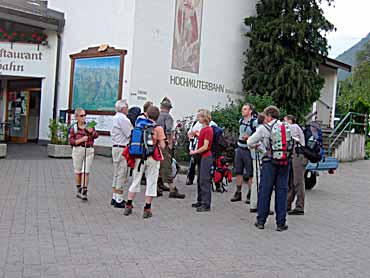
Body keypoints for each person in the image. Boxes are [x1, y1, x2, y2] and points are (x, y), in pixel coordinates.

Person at [247, 106, 291, 232]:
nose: (264, 118)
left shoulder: (263, 129)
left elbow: (250, 142)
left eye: (265, 116)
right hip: (284, 162)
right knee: (282, 191)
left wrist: (261, 148)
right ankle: (281, 223)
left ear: (269, 116)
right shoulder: (285, 126)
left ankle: (261, 221)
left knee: (265, 191)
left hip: (269, 162)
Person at [124, 106, 166, 218]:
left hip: (138, 157)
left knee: (136, 180)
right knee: (151, 181)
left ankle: (128, 205)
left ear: (146, 114)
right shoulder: (158, 128)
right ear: (158, 116)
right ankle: (147, 208)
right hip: (152, 158)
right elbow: (162, 146)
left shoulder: (139, 125)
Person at [157, 97, 185, 199]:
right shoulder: (168, 117)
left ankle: (157, 187)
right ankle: (172, 189)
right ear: (169, 108)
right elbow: (168, 129)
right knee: (167, 165)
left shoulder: (157, 115)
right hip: (163, 143)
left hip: (156, 144)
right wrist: (169, 142)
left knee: (158, 165)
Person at [69, 108, 99, 201]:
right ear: (77, 117)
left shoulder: (90, 125)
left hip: (89, 150)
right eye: (81, 116)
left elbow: (96, 135)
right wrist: (81, 140)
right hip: (78, 150)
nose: (84, 117)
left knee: (86, 171)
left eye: (85, 115)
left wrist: (92, 132)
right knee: (78, 171)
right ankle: (79, 188)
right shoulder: (74, 127)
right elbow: (71, 141)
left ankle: (85, 190)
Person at [231, 103, 257, 203]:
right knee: (238, 171)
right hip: (239, 148)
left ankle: (250, 194)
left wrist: (249, 138)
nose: (243, 111)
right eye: (242, 109)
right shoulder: (241, 120)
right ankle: (238, 192)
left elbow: (258, 135)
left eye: (245, 109)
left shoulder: (254, 122)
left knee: (250, 173)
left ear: (250, 111)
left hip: (248, 149)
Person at [110, 99, 133, 208]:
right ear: (123, 108)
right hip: (122, 147)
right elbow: (129, 134)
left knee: (116, 172)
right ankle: (119, 199)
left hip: (115, 147)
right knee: (122, 173)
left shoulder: (114, 118)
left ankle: (114, 196)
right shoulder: (123, 119)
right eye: (127, 107)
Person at [190, 109, 213, 212]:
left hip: (205, 156)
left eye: (199, 116)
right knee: (200, 179)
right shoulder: (203, 129)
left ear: (204, 118)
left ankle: (206, 203)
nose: (198, 118)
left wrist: (195, 152)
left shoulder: (208, 129)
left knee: (204, 179)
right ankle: (200, 200)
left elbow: (206, 146)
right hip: (202, 156)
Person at [284, 115, 307, 216]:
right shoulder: (296, 127)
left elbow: (290, 139)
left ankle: (299, 206)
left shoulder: (294, 127)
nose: (283, 122)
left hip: (298, 155)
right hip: (296, 155)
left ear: (290, 120)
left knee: (298, 181)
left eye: (284, 120)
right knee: (293, 181)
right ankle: (287, 204)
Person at [186, 117, 217, 185]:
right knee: (193, 163)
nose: (198, 118)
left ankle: (214, 181)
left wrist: (199, 135)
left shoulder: (212, 125)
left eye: (199, 116)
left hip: (206, 148)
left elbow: (212, 137)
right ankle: (191, 178)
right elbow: (190, 134)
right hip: (196, 146)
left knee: (206, 166)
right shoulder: (195, 123)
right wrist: (194, 134)